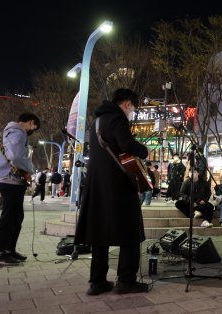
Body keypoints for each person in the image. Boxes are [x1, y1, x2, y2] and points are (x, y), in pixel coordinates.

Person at [74, 88, 150, 295]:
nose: (132, 112)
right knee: (131, 231)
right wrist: (144, 150)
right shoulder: (118, 119)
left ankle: (97, 282)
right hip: (118, 184)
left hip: (97, 185)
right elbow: (125, 144)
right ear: (127, 104)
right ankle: (126, 281)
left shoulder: (97, 121)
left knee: (99, 232)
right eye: (133, 108)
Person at [0, 112, 39, 265]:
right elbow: (16, 157)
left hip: (6, 178)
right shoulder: (18, 133)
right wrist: (30, 169)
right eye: (34, 128)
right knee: (10, 216)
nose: (32, 131)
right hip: (11, 180)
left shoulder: (5, 133)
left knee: (16, 216)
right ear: (30, 122)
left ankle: (9, 249)